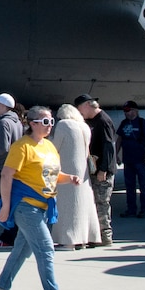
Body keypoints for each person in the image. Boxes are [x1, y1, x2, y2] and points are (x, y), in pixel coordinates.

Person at [0, 107, 80, 290]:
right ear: (33, 123)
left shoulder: (48, 147)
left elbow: (51, 175)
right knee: (46, 250)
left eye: (51, 122)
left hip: (42, 206)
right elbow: (6, 175)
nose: (49, 126)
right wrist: (5, 206)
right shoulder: (22, 147)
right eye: (44, 122)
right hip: (26, 206)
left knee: (22, 250)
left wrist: (69, 178)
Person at [49, 103, 101, 248]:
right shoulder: (84, 126)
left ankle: (68, 241)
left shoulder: (63, 125)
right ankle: (84, 239)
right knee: (83, 205)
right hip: (83, 172)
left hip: (67, 169)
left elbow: (55, 146)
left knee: (67, 206)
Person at [76, 96, 117, 246]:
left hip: (102, 170)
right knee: (93, 203)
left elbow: (108, 147)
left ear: (87, 105)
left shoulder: (103, 121)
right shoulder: (90, 121)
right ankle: (95, 235)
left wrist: (103, 169)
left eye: (80, 109)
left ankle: (105, 236)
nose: (80, 113)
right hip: (93, 168)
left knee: (102, 203)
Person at [0, 93, 24, 247]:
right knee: (13, 202)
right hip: (14, 166)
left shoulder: (3, 123)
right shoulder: (17, 122)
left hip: (2, 167)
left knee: (6, 202)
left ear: (3, 106)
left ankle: (9, 236)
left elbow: (2, 148)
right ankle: (13, 234)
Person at [117, 100, 145, 219]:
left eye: (129, 110)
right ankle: (131, 209)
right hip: (128, 160)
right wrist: (116, 154)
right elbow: (119, 140)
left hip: (140, 159)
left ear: (135, 111)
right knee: (130, 186)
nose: (127, 113)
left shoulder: (142, 123)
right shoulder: (123, 123)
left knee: (143, 185)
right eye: (125, 111)